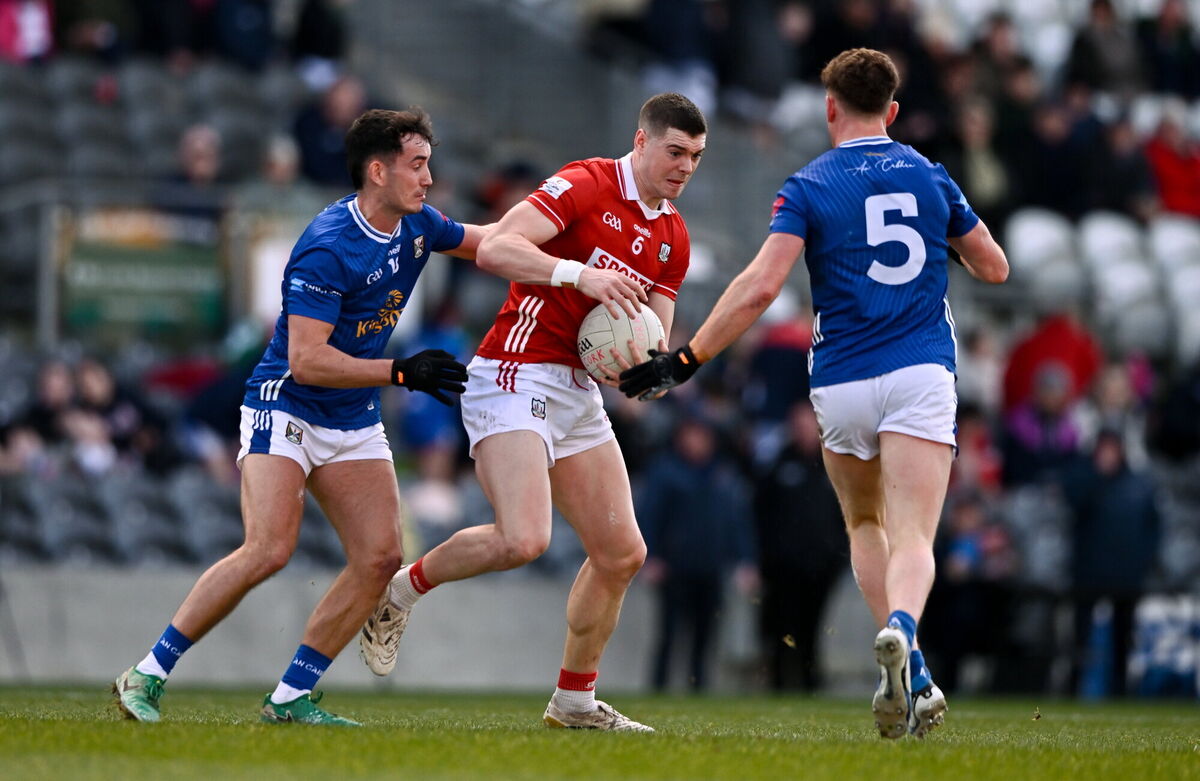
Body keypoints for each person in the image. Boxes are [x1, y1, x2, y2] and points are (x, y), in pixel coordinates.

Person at [619, 49, 1008, 738]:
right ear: (891, 111)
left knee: (864, 524)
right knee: (916, 533)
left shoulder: (808, 183)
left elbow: (762, 287)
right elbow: (994, 266)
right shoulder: (929, 174)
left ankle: (903, 649)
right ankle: (906, 635)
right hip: (919, 369)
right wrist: (944, 237)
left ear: (831, 107)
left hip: (842, 379)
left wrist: (687, 357)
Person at [112, 107, 487, 726]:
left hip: (352, 415)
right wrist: (402, 371)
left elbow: (488, 242)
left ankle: (290, 698)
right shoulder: (327, 244)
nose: (428, 178)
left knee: (379, 559)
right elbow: (309, 361)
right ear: (377, 171)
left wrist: (570, 265)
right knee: (268, 548)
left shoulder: (419, 224)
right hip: (285, 403)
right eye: (417, 165)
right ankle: (146, 673)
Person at [358, 92, 708, 732]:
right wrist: (578, 276)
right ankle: (401, 590)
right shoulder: (585, 182)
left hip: (578, 391)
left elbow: (654, 326)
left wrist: (652, 369)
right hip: (516, 370)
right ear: (641, 142)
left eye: (696, 157)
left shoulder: (673, 235)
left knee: (622, 552)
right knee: (524, 538)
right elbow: (496, 251)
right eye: (675, 151)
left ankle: (573, 701)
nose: (685, 166)